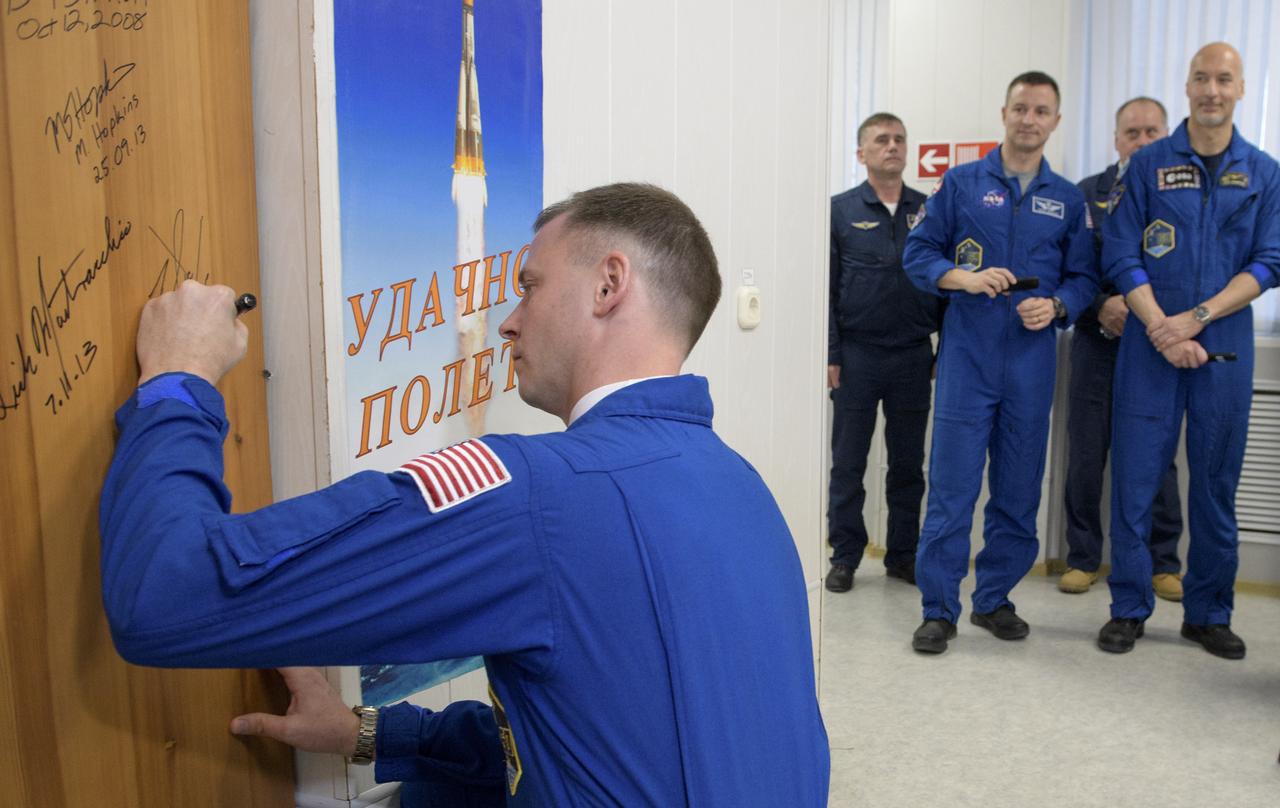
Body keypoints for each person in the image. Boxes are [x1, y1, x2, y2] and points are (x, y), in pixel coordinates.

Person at [98, 183, 831, 805]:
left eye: (530, 286)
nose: (509, 320)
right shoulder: (741, 486)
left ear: (610, 284)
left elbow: (165, 595)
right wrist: (368, 733)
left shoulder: (538, 496)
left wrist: (178, 381)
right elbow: (606, 730)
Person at [902, 71, 1098, 654]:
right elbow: (918, 254)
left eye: (1041, 111)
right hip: (968, 360)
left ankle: (993, 600)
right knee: (952, 490)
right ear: (1004, 113)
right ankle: (939, 608)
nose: (1029, 119)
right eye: (1020, 108)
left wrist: (1059, 304)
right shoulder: (961, 184)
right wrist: (965, 278)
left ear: (1055, 122)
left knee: (1017, 490)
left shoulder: (1067, 200)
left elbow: (1085, 277)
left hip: (1032, 366)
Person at [1097, 43, 1280, 658]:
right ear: (1187, 85)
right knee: (1135, 483)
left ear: (1241, 88)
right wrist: (1161, 328)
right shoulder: (1147, 166)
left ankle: (1208, 612)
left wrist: (1195, 319)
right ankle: (1128, 607)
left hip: (1223, 346)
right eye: (1201, 78)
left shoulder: (1264, 172)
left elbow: (1270, 260)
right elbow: (1122, 252)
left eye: (1223, 79)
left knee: (1215, 486)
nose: (1211, 90)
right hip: (1151, 349)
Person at [1061, 97, 1184, 600]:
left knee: (1158, 456)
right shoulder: (1086, 194)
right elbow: (1072, 267)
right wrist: (1100, 306)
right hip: (1097, 340)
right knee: (1087, 453)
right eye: (1132, 133)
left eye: (1152, 132)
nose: (1142, 141)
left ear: (1167, 136)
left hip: (1157, 343)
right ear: (1116, 140)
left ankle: (1163, 562)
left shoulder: (1178, 195)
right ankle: (1084, 558)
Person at [825, 112, 944, 593]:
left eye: (899, 139)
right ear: (861, 153)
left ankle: (903, 555)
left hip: (915, 355)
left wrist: (945, 350)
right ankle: (846, 554)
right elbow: (827, 289)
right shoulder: (840, 209)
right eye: (881, 140)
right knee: (848, 463)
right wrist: (831, 352)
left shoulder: (931, 209)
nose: (892, 146)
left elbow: (945, 284)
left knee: (908, 465)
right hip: (857, 355)